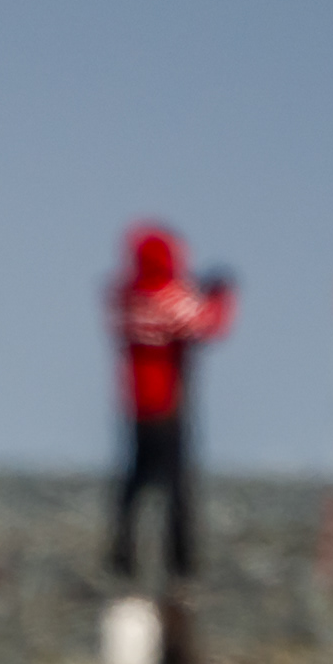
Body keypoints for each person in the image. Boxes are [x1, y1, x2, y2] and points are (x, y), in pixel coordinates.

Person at [104, 225, 234, 598]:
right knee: (177, 487)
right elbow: (206, 324)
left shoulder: (126, 297)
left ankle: (122, 558)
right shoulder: (168, 296)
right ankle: (180, 564)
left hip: (134, 404)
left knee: (134, 482)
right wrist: (221, 296)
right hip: (169, 406)